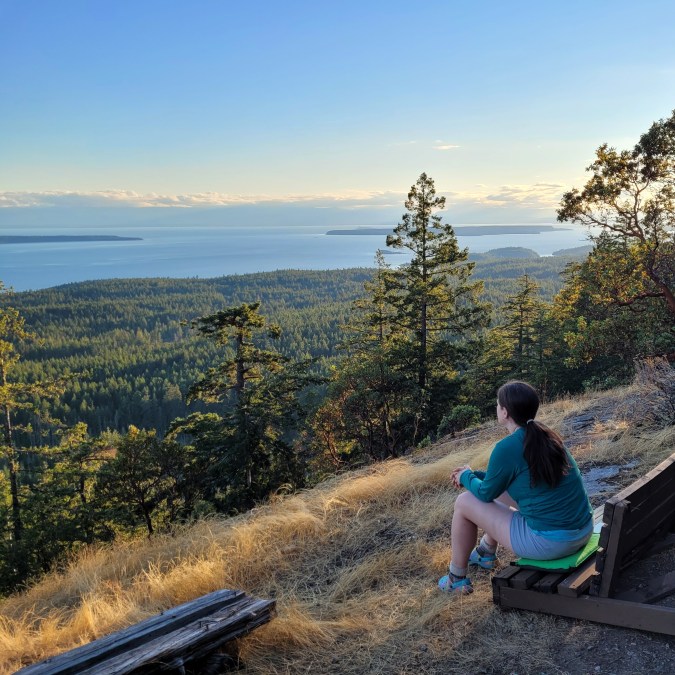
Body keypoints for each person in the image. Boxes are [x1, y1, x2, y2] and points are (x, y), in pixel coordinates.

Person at [438, 380, 593, 595]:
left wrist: (465, 477)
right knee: (500, 493)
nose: (497, 408)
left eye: (498, 405)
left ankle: (456, 579)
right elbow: (505, 481)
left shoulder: (507, 447)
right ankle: (485, 553)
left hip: (552, 542)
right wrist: (471, 474)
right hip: (581, 531)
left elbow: (485, 493)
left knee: (464, 502)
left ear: (505, 412)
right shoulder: (547, 436)